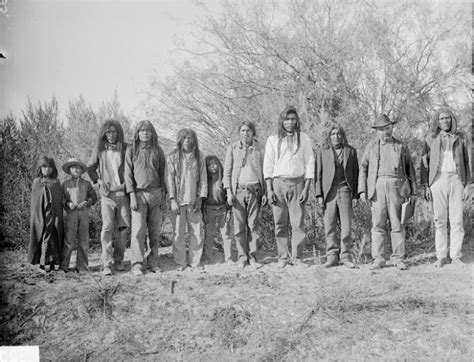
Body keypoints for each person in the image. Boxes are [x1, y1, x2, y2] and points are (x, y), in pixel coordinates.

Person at [358, 114, 417, 270]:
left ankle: (398, 258)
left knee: (397, 223)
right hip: (377, 187)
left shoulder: (401, 146)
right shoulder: (371, 146)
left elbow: (410, 170)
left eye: (387, 128)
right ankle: (378, 258)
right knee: (378, 224)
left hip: (396, 186)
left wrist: (413, 192)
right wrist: (362, 190)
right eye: (381, 130)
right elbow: (363, 168)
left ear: (392, 128)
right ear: (376, 131)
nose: (385, 132)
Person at [263, 106, 315, 268]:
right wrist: (270, 189)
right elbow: (268, 165)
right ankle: (283, 257)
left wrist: (307, 188)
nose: (290, 122)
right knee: (280, 223)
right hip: (278, 184)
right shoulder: (273, 139)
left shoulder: (304, 138)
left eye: (293, 119)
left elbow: (309, 162)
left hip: (298, 183)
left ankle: (297, 257)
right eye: (287, 119)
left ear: (297, 121)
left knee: (297, 223)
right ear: (282, 121)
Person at [420, 108, 471, 267]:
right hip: (437, 180)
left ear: (452, 119)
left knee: (457, 220)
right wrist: (426, 186)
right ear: (437, 121)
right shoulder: (430, 139)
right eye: (441, 119)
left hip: (456, 179)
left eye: (447, 118)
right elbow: (424, 165)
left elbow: (468, 163)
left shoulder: (461, 138)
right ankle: (441, 256)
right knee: (439, 220)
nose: (445, 121)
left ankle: (456, 255)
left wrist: (468, 184)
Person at [87, 119, 130, 276]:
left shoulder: (126, 148)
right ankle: (106, 263)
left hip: (123, 194)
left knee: (123, 228)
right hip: (107, 195)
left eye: (114, 131)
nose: (111, 135)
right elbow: (90, 167)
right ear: (104, 134)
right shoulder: (99, 149)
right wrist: (97, 181)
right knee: (107, 228)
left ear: (118, 132)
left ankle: (118, 260)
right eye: (108, 132)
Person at [124, 120, 167, 276]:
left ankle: (153, 262)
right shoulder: (132, 150)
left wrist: (163, 194)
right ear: (137, 133)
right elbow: (127, 174)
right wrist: (132, 195)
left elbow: (163, 173)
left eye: (148, 131)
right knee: (138, 231)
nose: (145, 133)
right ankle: (137, 264)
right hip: (138, 194)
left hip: (156, 193)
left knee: (155, 231)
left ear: (152, 133)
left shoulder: (158, 150)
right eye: (142, 131)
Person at [224, 121, 266, 270]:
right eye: (242, 130)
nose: (245, 133)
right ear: (239, 133)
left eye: (248, 130)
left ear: (252, 133)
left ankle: (253, 257)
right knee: (239, 227)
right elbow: (227, 172)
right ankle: (242, 257)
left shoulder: (259, 148)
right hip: (238, 191)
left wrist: (265, 191)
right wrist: (229, 191)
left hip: (255, 190)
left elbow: (265, 170)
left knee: (253, 225)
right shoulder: (232, 148)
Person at [315, 125, 359, 268]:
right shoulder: (323, 151)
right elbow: (318, 175)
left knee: (346, 227)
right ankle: (332, 256)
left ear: (343, 135)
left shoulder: (350, 151)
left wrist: (355, 196)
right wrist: (319, 195)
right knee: (330, 226)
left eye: (339, 134)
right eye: (333, 134)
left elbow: (356, 174)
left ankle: (345, 256)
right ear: (329, 136)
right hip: (329, 192)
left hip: (345, 190)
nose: (336, 136)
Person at [165, 128, 207, 271]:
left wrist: (200, 197)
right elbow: (169, 179)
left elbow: (203, 179)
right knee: (178, 233)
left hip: (193, 200)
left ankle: (195, 262)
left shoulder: (199, 156)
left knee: (196, 232)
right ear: (180, 140)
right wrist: (172, 199)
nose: (187, 141)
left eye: (190, 138)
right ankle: (180, 262)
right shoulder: (172, 157)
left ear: (194, 140)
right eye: (184, 138)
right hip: (178, 201)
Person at [61, 158, 98, 272]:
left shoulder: (86, 184)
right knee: (68, 240)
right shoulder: (65, 184)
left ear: (82, 170)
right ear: (69, 170)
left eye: (78, 168)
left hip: (84, 214)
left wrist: (87, 202)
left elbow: (94, 197)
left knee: (83, 240)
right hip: (71, 215)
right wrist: (68, 203)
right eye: (73, 168)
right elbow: (61, 199)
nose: (76, 170)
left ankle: (82, 266)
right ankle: (64, 266)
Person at [28, 156, 64, 273]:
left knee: (54, 237)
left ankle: (53, 264)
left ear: (53, 169)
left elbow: (59, 200)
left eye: (49, 167)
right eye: (44, 167)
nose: (47, 170)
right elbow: (35, 202)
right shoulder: (37, 182)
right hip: (42, 215)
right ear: (40, 168)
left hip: (54, 215)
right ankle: (42, 265)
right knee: (43, 237)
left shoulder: (56, 182)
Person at [203, 155, 233, 264]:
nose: (213, 167)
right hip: (209, 209)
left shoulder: (224, 179)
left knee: (226, 234)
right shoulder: (205, 180)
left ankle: (228, 258)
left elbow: (228, 196)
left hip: (223, 209)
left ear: (219, 165)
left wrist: (229, 211)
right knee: (209, 235)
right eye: (210, 165)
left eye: (214, 164)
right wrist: (203, 212)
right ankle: (208, 258)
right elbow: (202, 198)